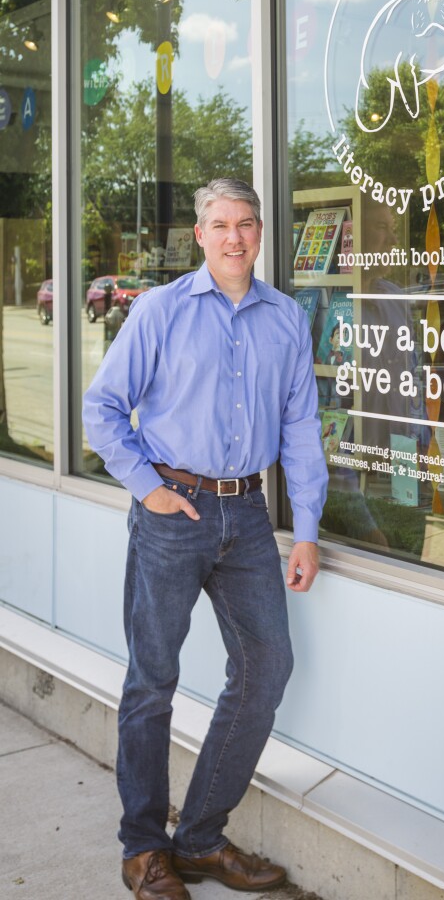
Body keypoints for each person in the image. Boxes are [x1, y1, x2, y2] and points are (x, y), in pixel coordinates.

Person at [83, 178, 327, 900]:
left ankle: (198, 839)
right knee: (152, 680)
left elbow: (302, 430)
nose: (234, 237)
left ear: (259, 232)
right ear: (200, 235)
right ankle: (143, 849)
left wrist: (305, 529)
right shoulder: (159, 312)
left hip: (247, 516)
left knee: (267, 668)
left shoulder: (285, 319)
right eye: (220, 224)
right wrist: (148, 487)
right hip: (171, 510)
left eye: (246, 224)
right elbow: (102, 407)